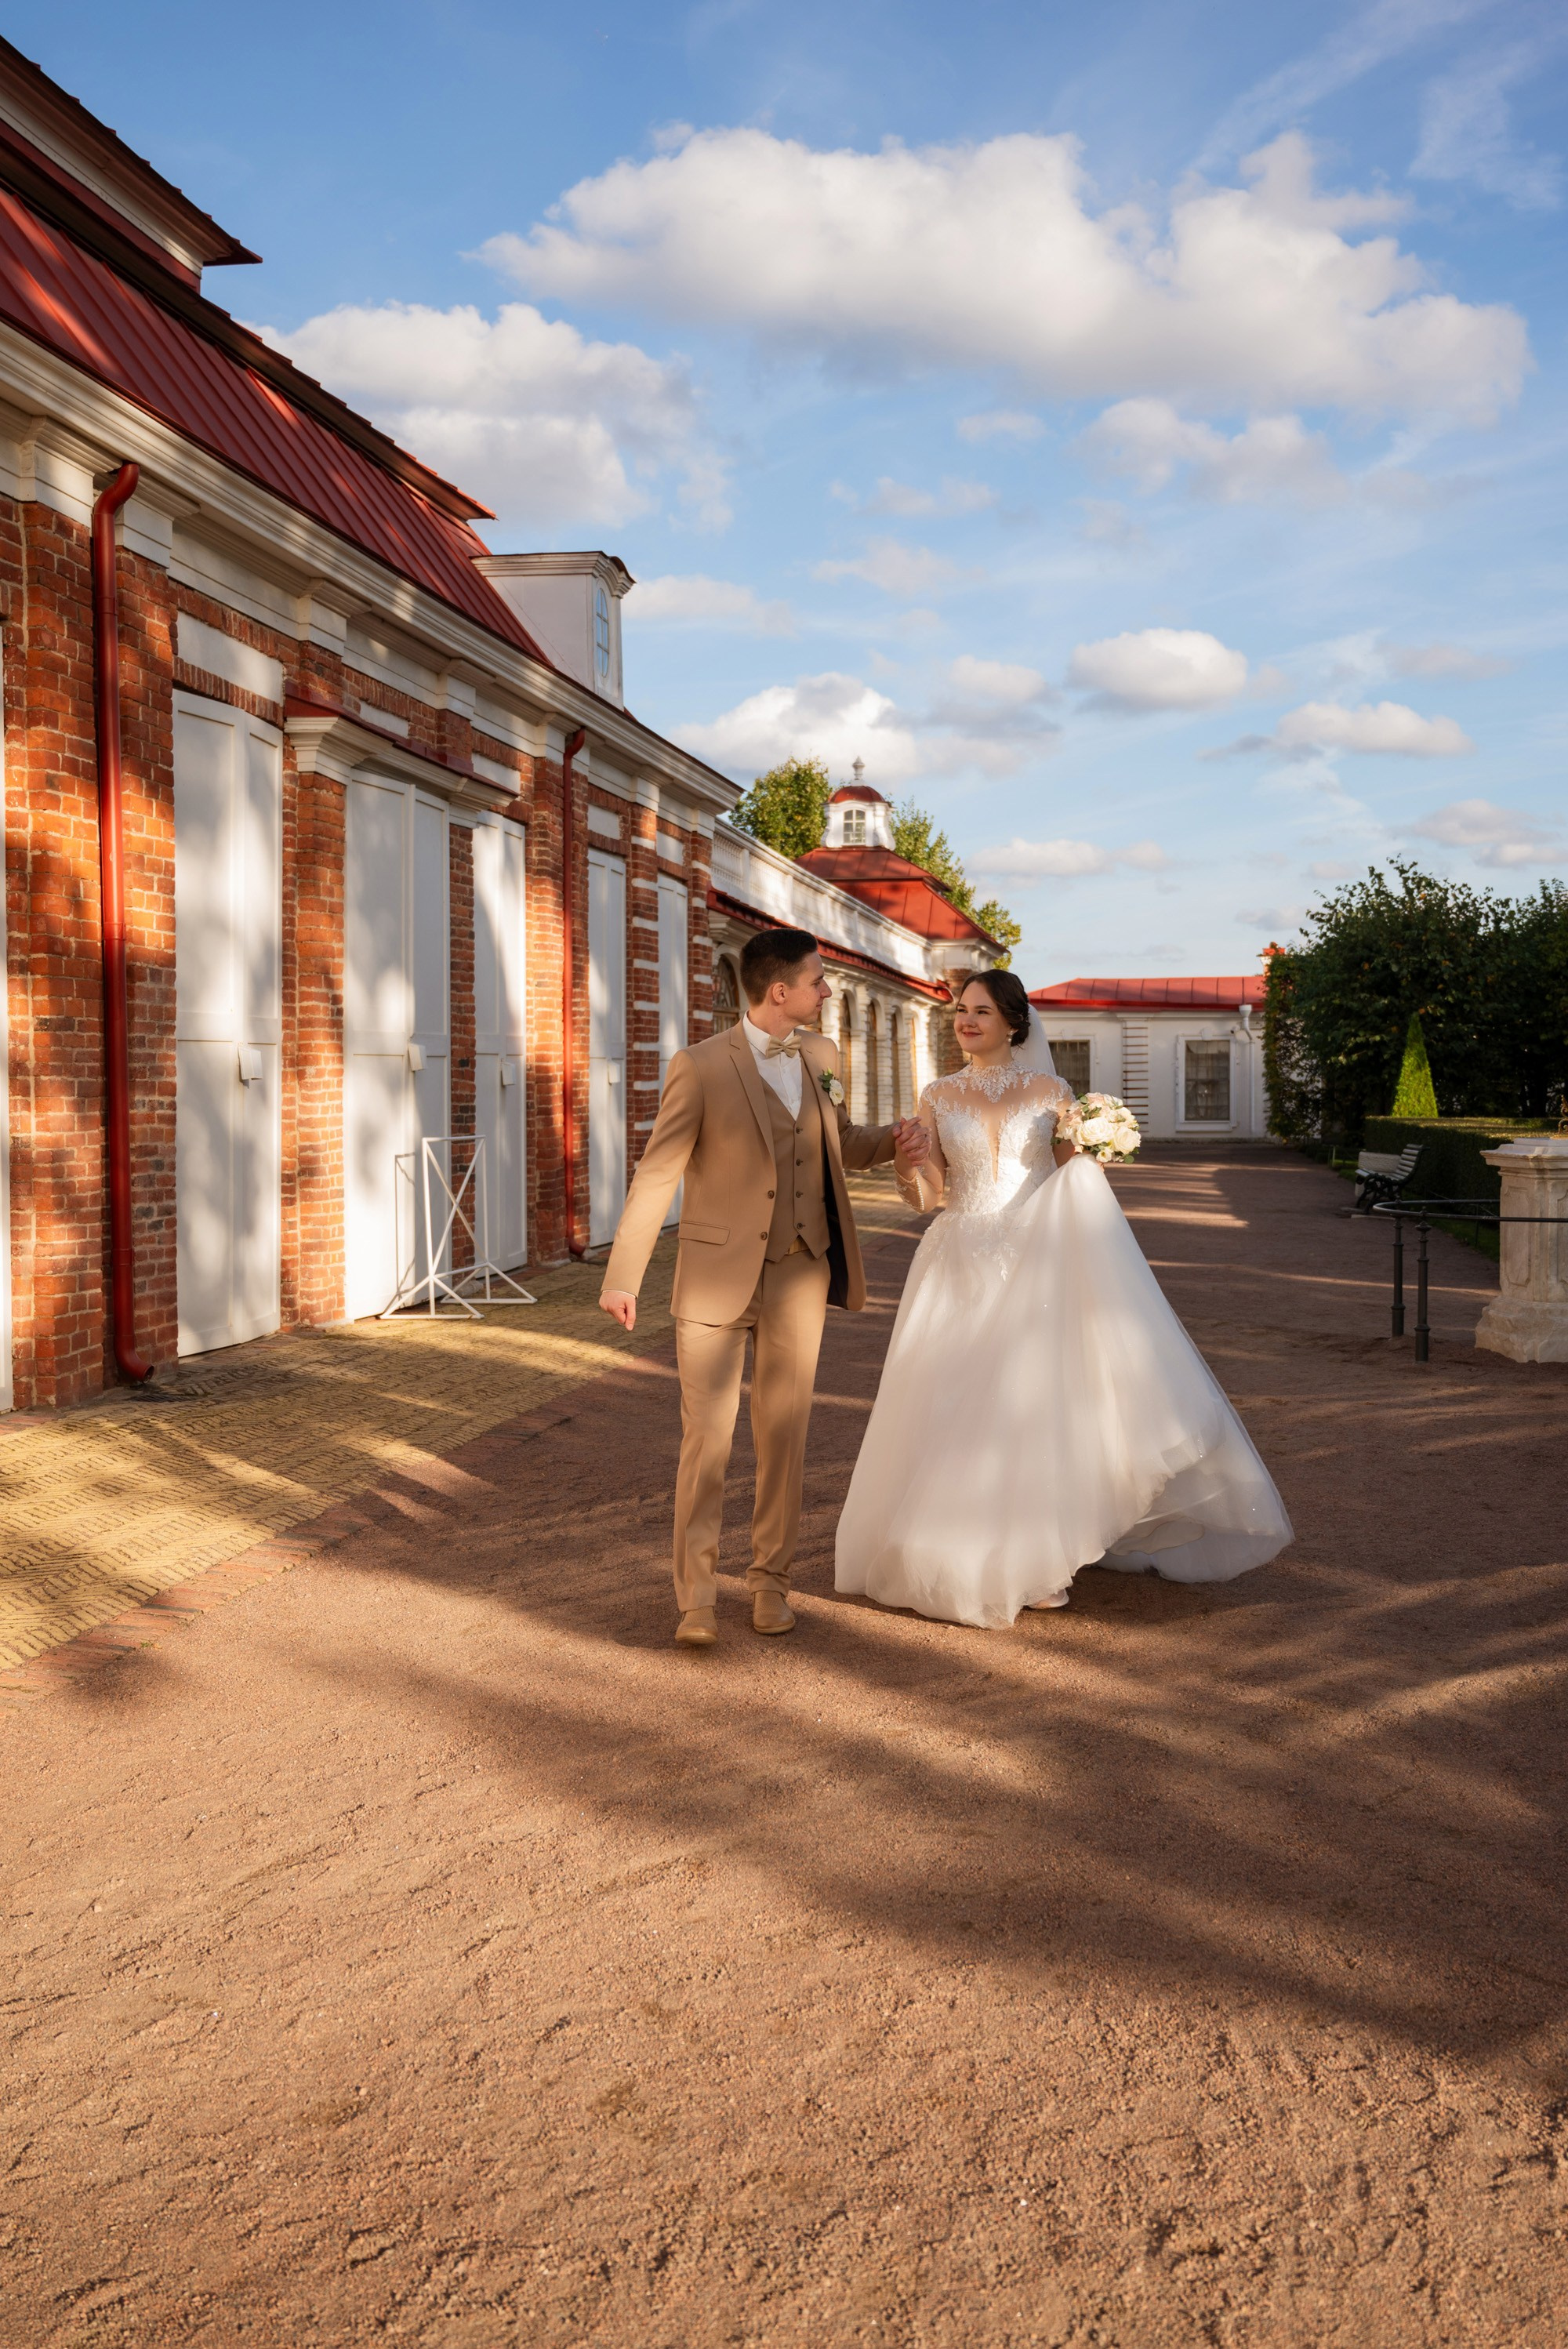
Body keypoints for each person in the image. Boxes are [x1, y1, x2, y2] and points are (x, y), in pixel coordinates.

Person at [834, 968, 1292, 1628]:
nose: (966, 1021)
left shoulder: (1051, 1091)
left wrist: (1093, 1153)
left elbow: (1072, 1174)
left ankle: (1040, 1554)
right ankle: (959, 1548)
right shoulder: (937, 1093)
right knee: (955, 1403)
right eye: (961, 1011)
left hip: (1038, 1257)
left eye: (981, 1011)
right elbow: (931, 1196)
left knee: (1029, 1405)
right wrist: (909, 1165)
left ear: (1014, 1023)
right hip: (957, 1258)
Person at [600, 927, 930, 1646]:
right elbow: (658, 1172)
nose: (827, 991)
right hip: (716, 1276)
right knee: (707, 1442)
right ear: (779, 991)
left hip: (802, 1272)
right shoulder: (700, 1066)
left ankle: (770, 1583)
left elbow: (837, 1143)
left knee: (784, 1435)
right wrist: (624, 1276)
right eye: (818, 981)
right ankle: (695, 1599)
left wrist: (893, 1140)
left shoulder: (822, 1056)